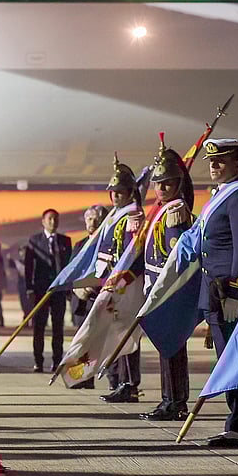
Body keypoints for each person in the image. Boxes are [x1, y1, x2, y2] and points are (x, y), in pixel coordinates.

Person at [197, 138, 238, 448]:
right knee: (228, 358)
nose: (214, 166)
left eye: (221, 161)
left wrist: (237, 289)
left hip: (230, 293)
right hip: (216, 291)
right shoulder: (223, 196)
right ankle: (237, 423)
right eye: (212, 161)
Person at [139, 138, 194, 422]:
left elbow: (176, 256)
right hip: (156, 288)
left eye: (167, 184)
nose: (161, 189)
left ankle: (175, 401)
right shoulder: (160, 211)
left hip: (169, 289)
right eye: (158, 184)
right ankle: (168, 399)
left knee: (172, 347)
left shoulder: (175, 212)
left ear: (178, 185)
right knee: (165, 347)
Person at [96, 157, 144, 403]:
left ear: (129, 193)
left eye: (120, 191)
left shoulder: (133, 216)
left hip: (127, 283)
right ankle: (121, 381)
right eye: (113, 192)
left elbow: (135, 254)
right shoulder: (116, 216)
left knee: (127, 333)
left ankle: (130, 384)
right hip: (114, 281)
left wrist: (123, 280)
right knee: (116, 331)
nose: (115, 195)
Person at [24, 209, 72, 373]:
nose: (53, 222)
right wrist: (29, 288)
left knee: (58, 328)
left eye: (56, 219)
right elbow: (28, 267)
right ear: (43, 221)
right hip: (40, 290)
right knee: (39, 327)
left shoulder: (65, 241)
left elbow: (69, 266)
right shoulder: (34, 241)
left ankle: (57, 361)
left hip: (58, 291)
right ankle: (38, 361)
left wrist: (68, 287)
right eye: (50, 219)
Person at [70, 205, 108, 330]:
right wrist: (76, 289)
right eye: (89, 219)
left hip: (100, 302)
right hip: (81, 304)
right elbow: (71, 272)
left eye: (96, 219)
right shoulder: (79, 245)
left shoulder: (109, 244)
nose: (92, 222)